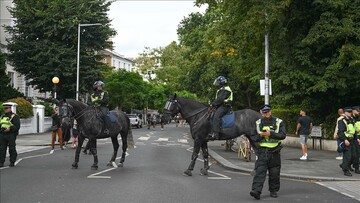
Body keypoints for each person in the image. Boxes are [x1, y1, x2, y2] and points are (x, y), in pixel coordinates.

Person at [250, 104, 286, 200]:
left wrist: (271, 134)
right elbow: (253, 137)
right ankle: (256, 191)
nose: (267, 113)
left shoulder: (279, 122)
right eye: (265, 112)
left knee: (274, 173)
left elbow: (283, 135)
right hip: (263, 151)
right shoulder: (257, 123)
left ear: (271, 111)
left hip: (275, 152)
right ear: (262, 113)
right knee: (260, 172)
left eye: (268, 111)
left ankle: (273, 191)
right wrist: (260, 136)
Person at [208, 76, 233, 140]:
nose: (217, 84)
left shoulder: (225, 89)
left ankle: (216, 133)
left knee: (217, 116)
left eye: (218, 82)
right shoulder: (222, 89)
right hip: (221, 106)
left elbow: (220, 99)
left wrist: (213, 104)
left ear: (222, 82)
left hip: (225, 106)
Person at [337, 107, 357, 176]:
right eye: (348, 112)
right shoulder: (342, 121)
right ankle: (346, 170)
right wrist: (345, 139)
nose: (350, 113)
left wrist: (357, 138)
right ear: (345, 112)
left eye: (350, 112)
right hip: (346, 140)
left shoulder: (352, 120)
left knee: (354, 156)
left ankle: (344, 165)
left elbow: (354, 131)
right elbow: (340, 132)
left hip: (352, 140)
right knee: (348, 156)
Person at [351, 106, 360, 173]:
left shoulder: (357, 117)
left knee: (356, 154)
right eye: (358, 111)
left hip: (357, 137)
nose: (359, 112)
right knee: (356, 153)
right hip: (355, 138)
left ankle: (345, 164)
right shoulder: (350, 118)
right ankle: (356, 168)